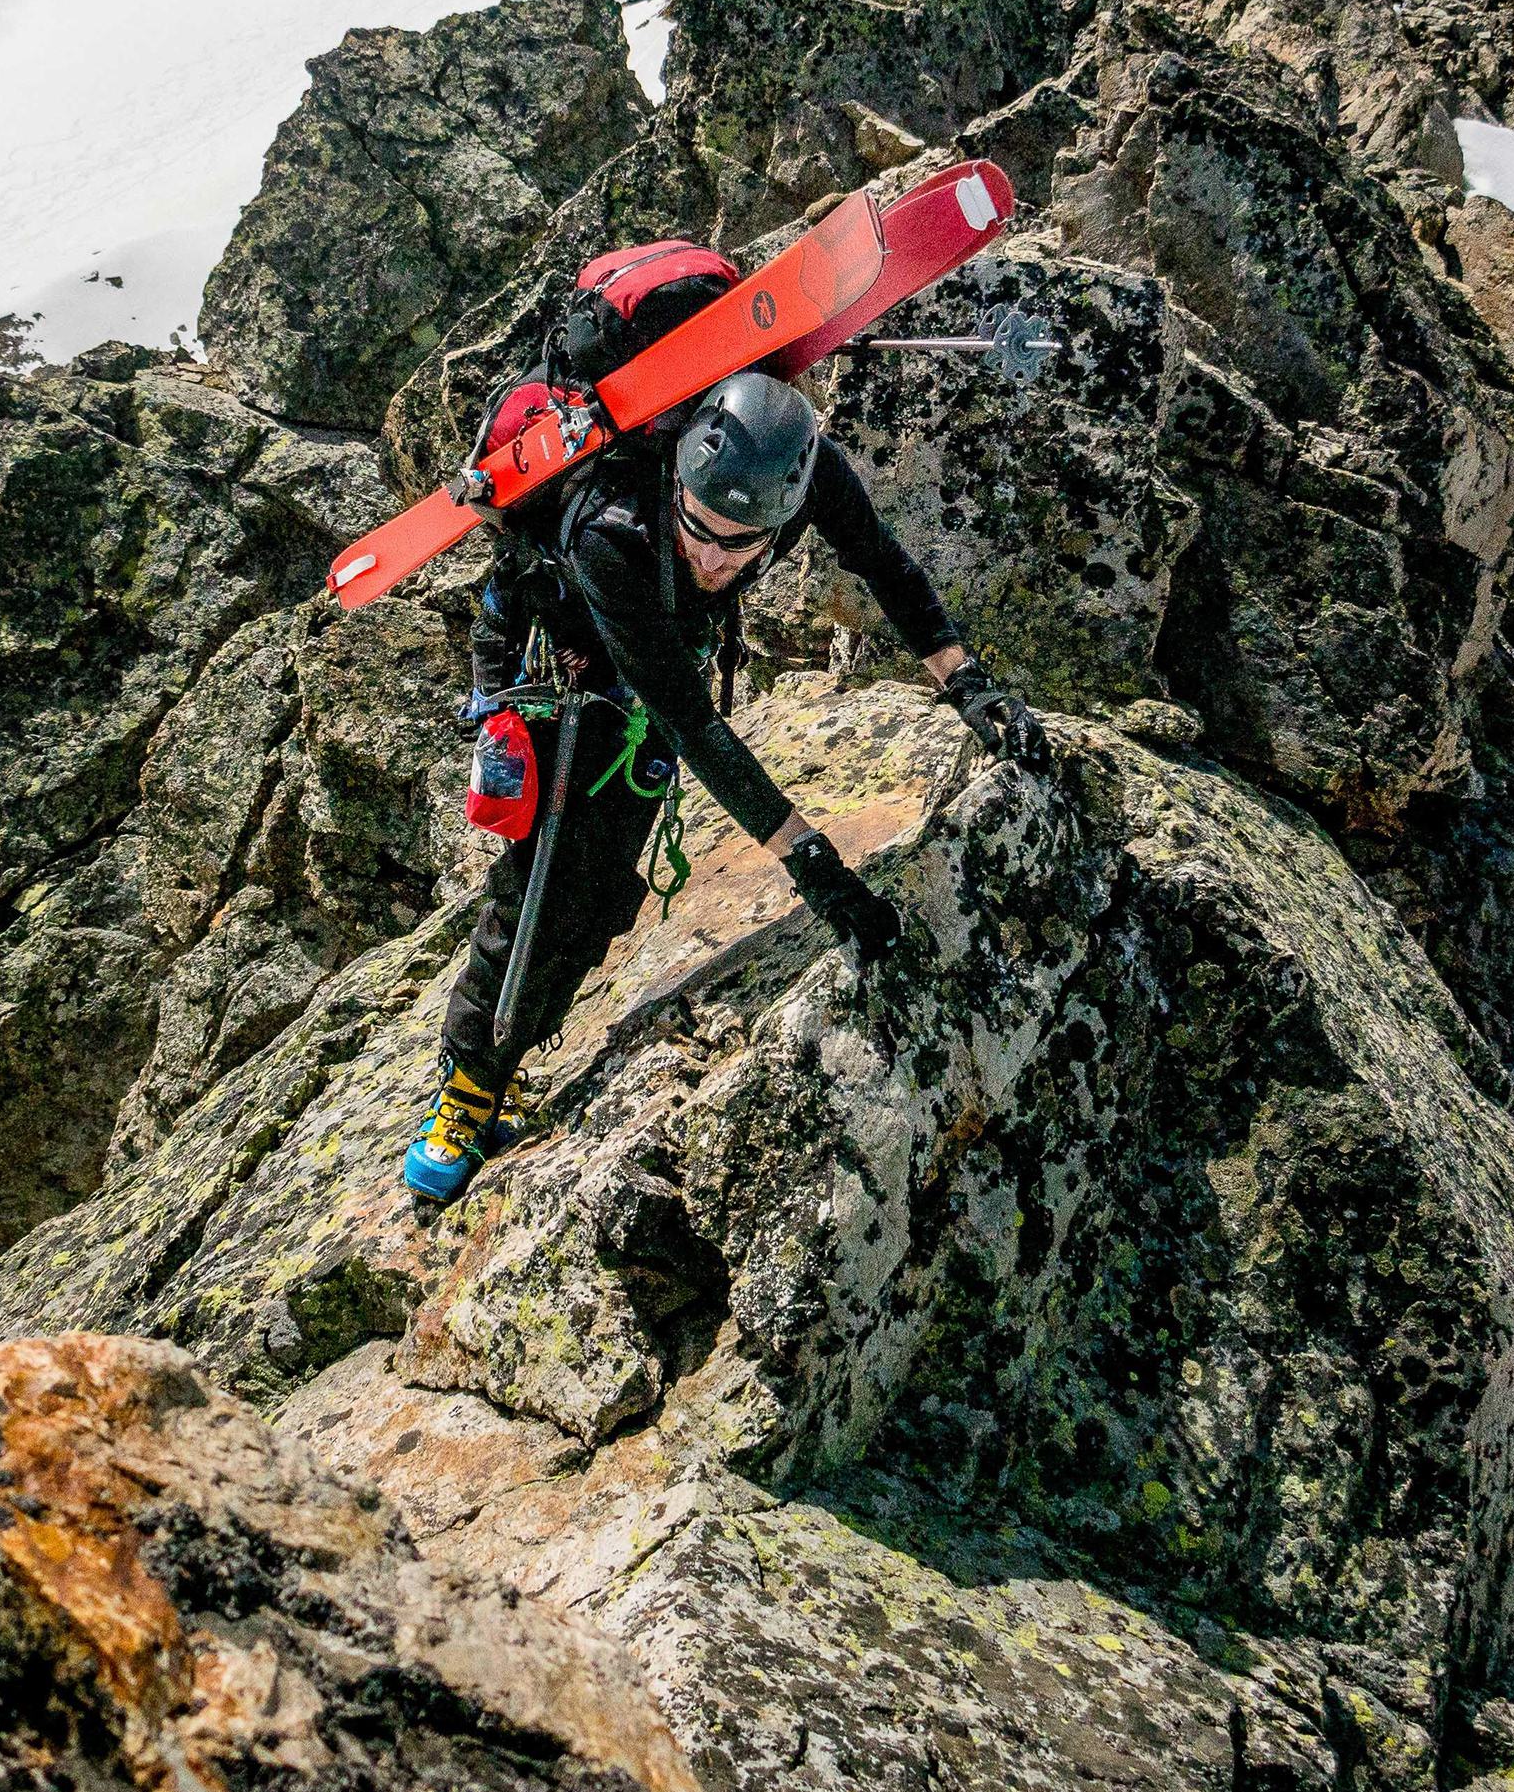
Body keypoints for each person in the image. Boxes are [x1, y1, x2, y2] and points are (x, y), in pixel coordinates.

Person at [401, 370, 1051, 1206]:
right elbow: (692, 724)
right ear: (676, 475)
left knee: (602, 896)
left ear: (785, 508)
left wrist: (966, 682)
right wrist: (810, 861)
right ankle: (465, 1090)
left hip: (660, 649)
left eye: (740, 543)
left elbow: (883, 564)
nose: (712, 558)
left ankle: (506, 1065)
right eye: (698, 527)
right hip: (567, 654)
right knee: (544, 883)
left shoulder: (812, 475)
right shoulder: (609, 532)